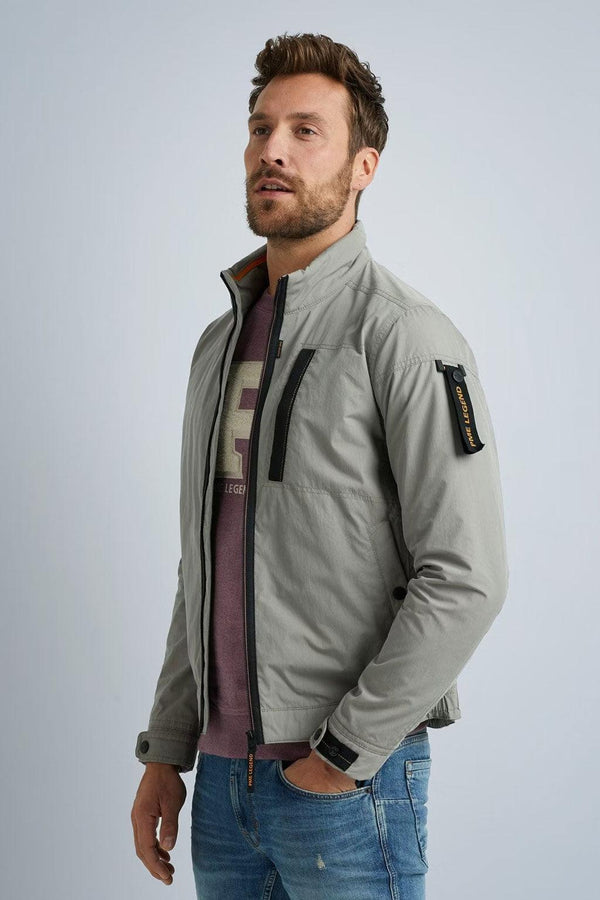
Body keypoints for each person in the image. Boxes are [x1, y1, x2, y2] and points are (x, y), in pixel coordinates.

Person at [131, 32, 509, 900]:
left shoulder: (405, 336)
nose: (272, 149)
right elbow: (204, 565)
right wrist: (167, 749)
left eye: (306, 131)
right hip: (221, 786)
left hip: (346, 786)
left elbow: (467, 577)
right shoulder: (219, 345)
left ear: (363, 166)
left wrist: (341, 756)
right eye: (261, 128)